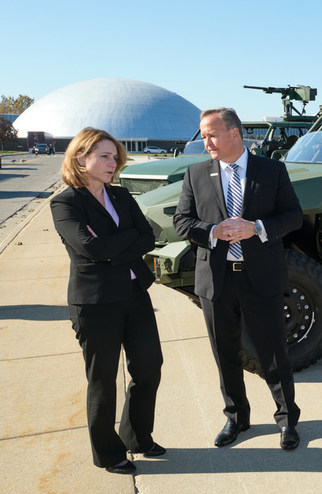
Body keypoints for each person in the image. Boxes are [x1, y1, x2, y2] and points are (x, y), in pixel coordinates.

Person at [173, 108, 303, 450]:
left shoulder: (272, 171)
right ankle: (236, 418)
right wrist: (213, 231)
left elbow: (293, 216)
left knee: (273, 353)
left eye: (211, 135)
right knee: (225, 354)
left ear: (235, 133)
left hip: (260, 278)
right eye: (203, 135)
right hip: (216, 282)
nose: (206, 142)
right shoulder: (195, 174)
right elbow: (182, 222)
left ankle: (287, 419)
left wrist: (256, 228)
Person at [50, 128, 165, 475]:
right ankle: (108, 452)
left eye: (114, 157)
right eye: (104, 156)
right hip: (96, 304)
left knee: (149, 367)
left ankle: (137, 436)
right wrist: (121, 242)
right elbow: (90, 248)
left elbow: (149, 236)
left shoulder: (120, 196)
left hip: (134, 295)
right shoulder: (65, 202)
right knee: (103, 380)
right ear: (81, 158)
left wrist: (114, 243)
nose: (112, 163)